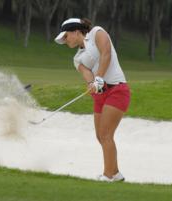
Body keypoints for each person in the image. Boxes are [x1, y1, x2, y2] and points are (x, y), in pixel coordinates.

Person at [54, 18, 130, 182]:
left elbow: (106, 54)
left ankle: (108, 175)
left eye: (66, 36)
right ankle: (115, 173)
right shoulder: (77, 58)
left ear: (76, 31)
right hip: (101, 94)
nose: (65, 41)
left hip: (117, 89)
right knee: (100, 135)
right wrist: (91, 84)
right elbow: (87, 74)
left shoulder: (97, 32)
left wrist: (99, 78)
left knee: (105, 134)